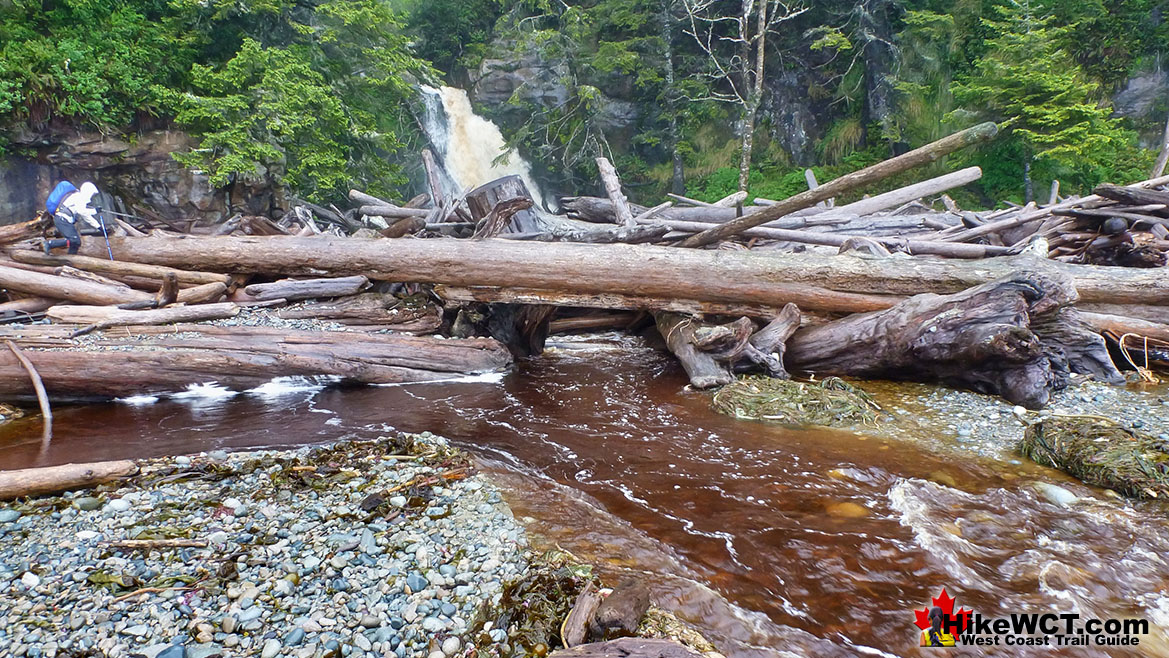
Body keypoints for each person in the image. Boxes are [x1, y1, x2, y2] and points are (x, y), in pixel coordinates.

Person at [44, 180, 100, 254]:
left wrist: (99, 227)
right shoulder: (79, 197)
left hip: (64, 220)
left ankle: (71, 260)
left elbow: (86, 216)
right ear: (88, 192)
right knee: (73, 240)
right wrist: (95, 211)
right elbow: (81, 211)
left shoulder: (79, 197)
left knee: (76, 243)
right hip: (62, 219)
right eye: (92, 194)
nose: (92, 196)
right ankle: (49, 244)